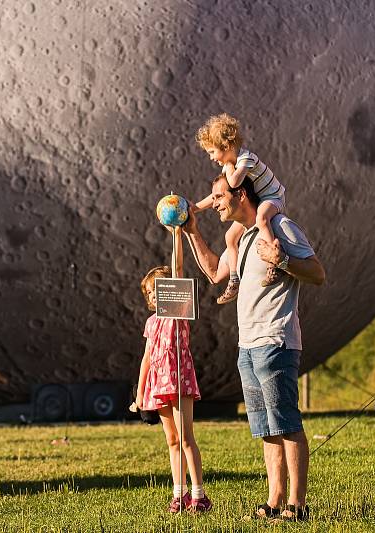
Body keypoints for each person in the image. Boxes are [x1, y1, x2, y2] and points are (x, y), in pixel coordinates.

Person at [182, 175, 325, 522]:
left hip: (276, 341)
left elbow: (317, 273)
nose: (214, 202)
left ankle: (297, 505)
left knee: (287, 422)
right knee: (265, 427)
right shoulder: (244, 239)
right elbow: (216, 272)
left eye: (219, 196)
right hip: (248, 345)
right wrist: (191, 230)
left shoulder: (280, 227)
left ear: (241, 194)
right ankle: (274, 502)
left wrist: (283, 262)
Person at [135, 261, 212, 513]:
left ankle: (199, 495)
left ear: (170, 289)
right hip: (159, 382)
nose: (154, 295)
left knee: (186, 437)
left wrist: (177, 234)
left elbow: (178, 270)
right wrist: (139, 394)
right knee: (172, 440)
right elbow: (147, 358)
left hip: (179, 378)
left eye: (157, 288)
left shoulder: (178, 312)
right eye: (149, 292)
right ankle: (180, 494)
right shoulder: (151, 323)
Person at [193, 113, 288, 304]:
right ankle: (234, 279)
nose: (212, 158)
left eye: (212, 152)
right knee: (230, 237)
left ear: (226, 147)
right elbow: (218, 195)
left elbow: (234, 182)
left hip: (273, 197)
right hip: (260, 199)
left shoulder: (246, 159)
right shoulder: (231, 166)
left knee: (262, 219)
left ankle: (273, 265)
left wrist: (228, 167)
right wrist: (194, 208)